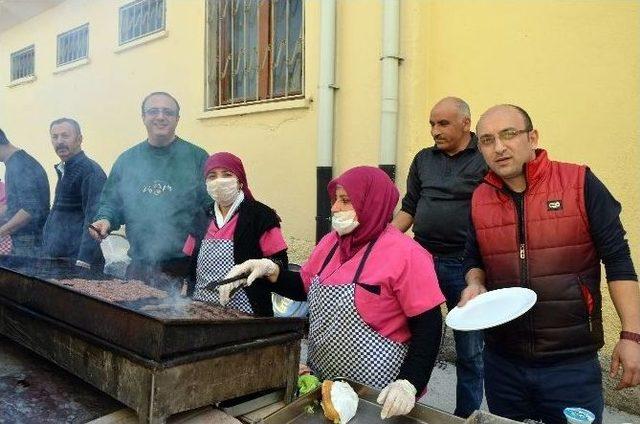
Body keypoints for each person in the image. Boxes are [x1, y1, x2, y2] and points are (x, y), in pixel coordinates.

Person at [461, 104, 640, 423]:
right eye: (487, 140)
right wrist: (475, 283)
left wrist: (631, 336)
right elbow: (474, 259)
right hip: (503, 361)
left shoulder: (579, 182)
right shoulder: (479, 198)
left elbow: (618, 261)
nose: (499, 147)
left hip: (570, 363)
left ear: (532, 137)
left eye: (509, 134)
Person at [226, 166, 446, 419]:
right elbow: (304, 287)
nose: (334, 208)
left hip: (378, 388)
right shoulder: (330, 244)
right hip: (326, 381)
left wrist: (410, 382)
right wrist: (270, 272)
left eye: (345, 200)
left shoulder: (407, 254)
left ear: (371, 202)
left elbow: (429, 325)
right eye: (334, 200)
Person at [392, 96, 486, 417]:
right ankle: (407, 401)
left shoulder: (484, 159)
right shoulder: (424, 160)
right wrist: (384, 243)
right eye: (432, 123)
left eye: (442, 123)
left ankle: (465, 417)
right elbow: (410, 207)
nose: (435, 130)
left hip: (466, 266)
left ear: (465, 123)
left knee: (470, 351)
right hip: (422, 261)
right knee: (414, 338)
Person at [89, 92, 209, 282]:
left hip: (185, 268)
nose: (160, 117)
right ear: (143, 117)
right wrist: (105, 219)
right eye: (153, 111)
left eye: (168, 112)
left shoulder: (197, 158)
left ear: (177, 119)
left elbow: (213, 210)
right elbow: (111, 203)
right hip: (140, 266)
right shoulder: (127, 160)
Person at [181, 152, 288, 316]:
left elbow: (280, 262)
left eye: (227, 174)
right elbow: (189, 262)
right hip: (200, 307)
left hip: (247, 310)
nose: (219, 181)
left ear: (240, 181)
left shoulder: (261, 216)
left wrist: (255, 270)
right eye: (212, 176)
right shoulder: (200, 216)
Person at [42, 118, 107, 268]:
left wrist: (83, 262)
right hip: (59, 260)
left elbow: (94, 219)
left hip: (78, 263)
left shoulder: (90, 172)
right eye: (55, 137)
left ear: (79, 139)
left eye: (65, 136)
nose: (59, 141)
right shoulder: (65, 169)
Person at [0, 128, 50, 256]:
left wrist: (1, 232)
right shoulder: (13, 163)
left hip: (31, 242)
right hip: (24, 240)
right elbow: (13, 206)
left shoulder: (22, 165)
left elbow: (29, 210)